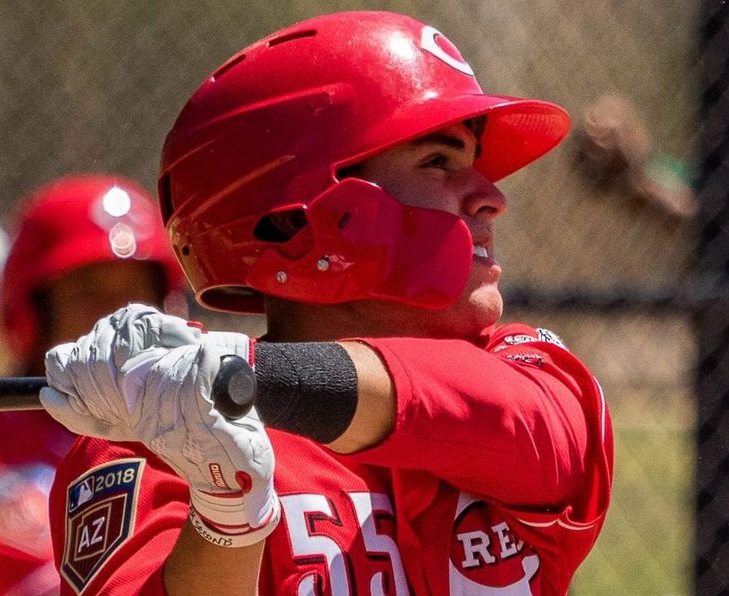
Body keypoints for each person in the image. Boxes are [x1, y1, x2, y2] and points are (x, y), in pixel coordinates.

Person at [40, 11, 614, 595]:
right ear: (296, 218)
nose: (492, 198)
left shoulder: (525, 371)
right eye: (439, 163)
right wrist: (225, 516)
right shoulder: (163, 433)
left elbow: (533, 432)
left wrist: (240, 375)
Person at [0, 175, 183, 595]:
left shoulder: (197, 431)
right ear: (36, 315)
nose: (118, 319)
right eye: (87, 294)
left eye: (134, 293)